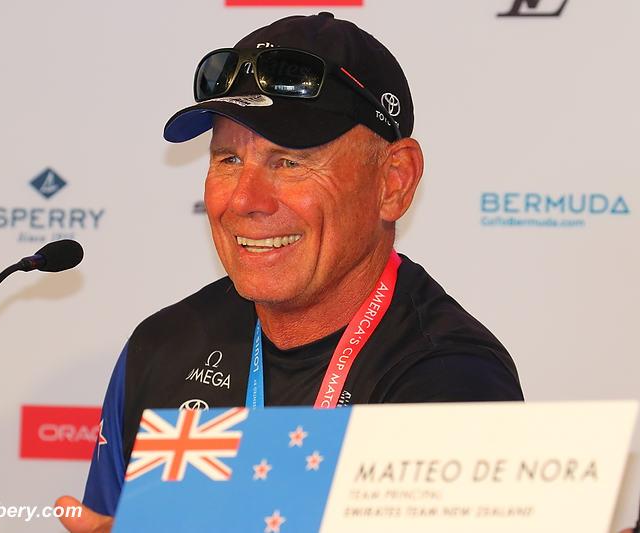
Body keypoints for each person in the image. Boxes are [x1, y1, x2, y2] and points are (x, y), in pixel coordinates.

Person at [57, 12, 523, 532]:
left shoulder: (447, 379)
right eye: (228, 160)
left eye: (289, 163)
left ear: (393, 182)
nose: (244, 201)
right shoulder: (163, 348)